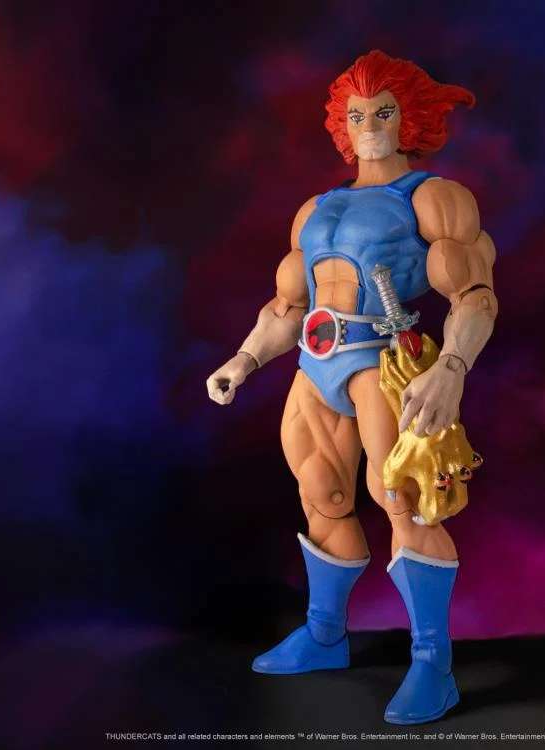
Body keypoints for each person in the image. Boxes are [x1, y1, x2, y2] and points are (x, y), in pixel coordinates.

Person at [206, 50, 498, 725]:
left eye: (383, 112)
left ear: (408, 118)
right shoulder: (316, 209)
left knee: (404, 500)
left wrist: (451, 369)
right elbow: (287, 305)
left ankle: (432, 664)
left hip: (382, 365)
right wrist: (245, 359)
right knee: (322, 494)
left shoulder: (432, 198)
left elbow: (476, 295)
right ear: (342, 123)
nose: (369, 126)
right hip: (316, 364)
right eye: (357, 115)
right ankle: (324, 635)